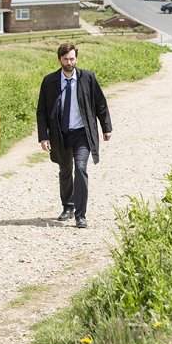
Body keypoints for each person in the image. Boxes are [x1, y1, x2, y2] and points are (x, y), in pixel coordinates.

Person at [37, 43, 112, 229]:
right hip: (60, 134)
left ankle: (81, 214)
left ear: (76, 58)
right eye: (65, 59)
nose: (69, 62)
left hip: (82, 133)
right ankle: (68, 207)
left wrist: (106, 127)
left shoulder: (87, 78)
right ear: (59, 60)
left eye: (72, 59)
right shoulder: (49, 81)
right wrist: (43, 136)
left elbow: (100, 104)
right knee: (64, 171)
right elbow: (42, 111)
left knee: (80, 168)